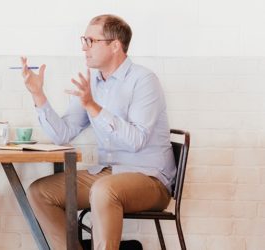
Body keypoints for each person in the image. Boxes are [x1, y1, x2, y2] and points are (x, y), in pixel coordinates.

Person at [21, 14, 175, 250]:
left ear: (115, 46)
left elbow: (136, 141)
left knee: (104, 190)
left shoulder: (144, 80)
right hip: (108, 174)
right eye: (84, 40)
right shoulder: (92, 81)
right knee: (40, 192)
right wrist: (38, 95)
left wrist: (93, 106)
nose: (84, 48)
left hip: (150, 179)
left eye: (91, 41)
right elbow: (63, 134)